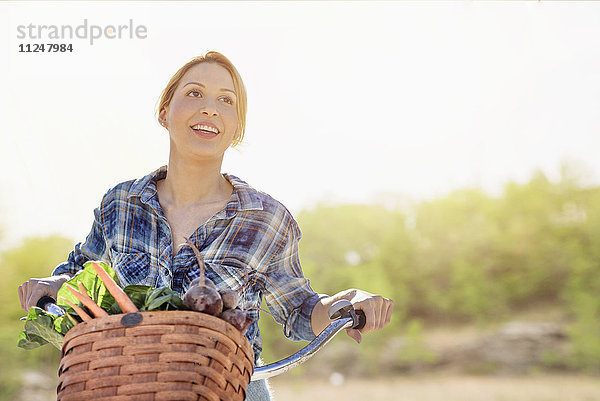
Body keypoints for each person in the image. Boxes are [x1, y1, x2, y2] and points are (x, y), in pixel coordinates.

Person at [18, 51, 394, 400]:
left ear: (237, 129)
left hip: (232, 391)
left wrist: (346, 303)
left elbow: (299, 310)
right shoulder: (121, 204)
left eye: (226, 101)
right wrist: (53, 285)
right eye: (194, 93)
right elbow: (78, 275)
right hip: (131, 386)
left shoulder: (266, 218)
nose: (210, 109)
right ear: (165, 112)